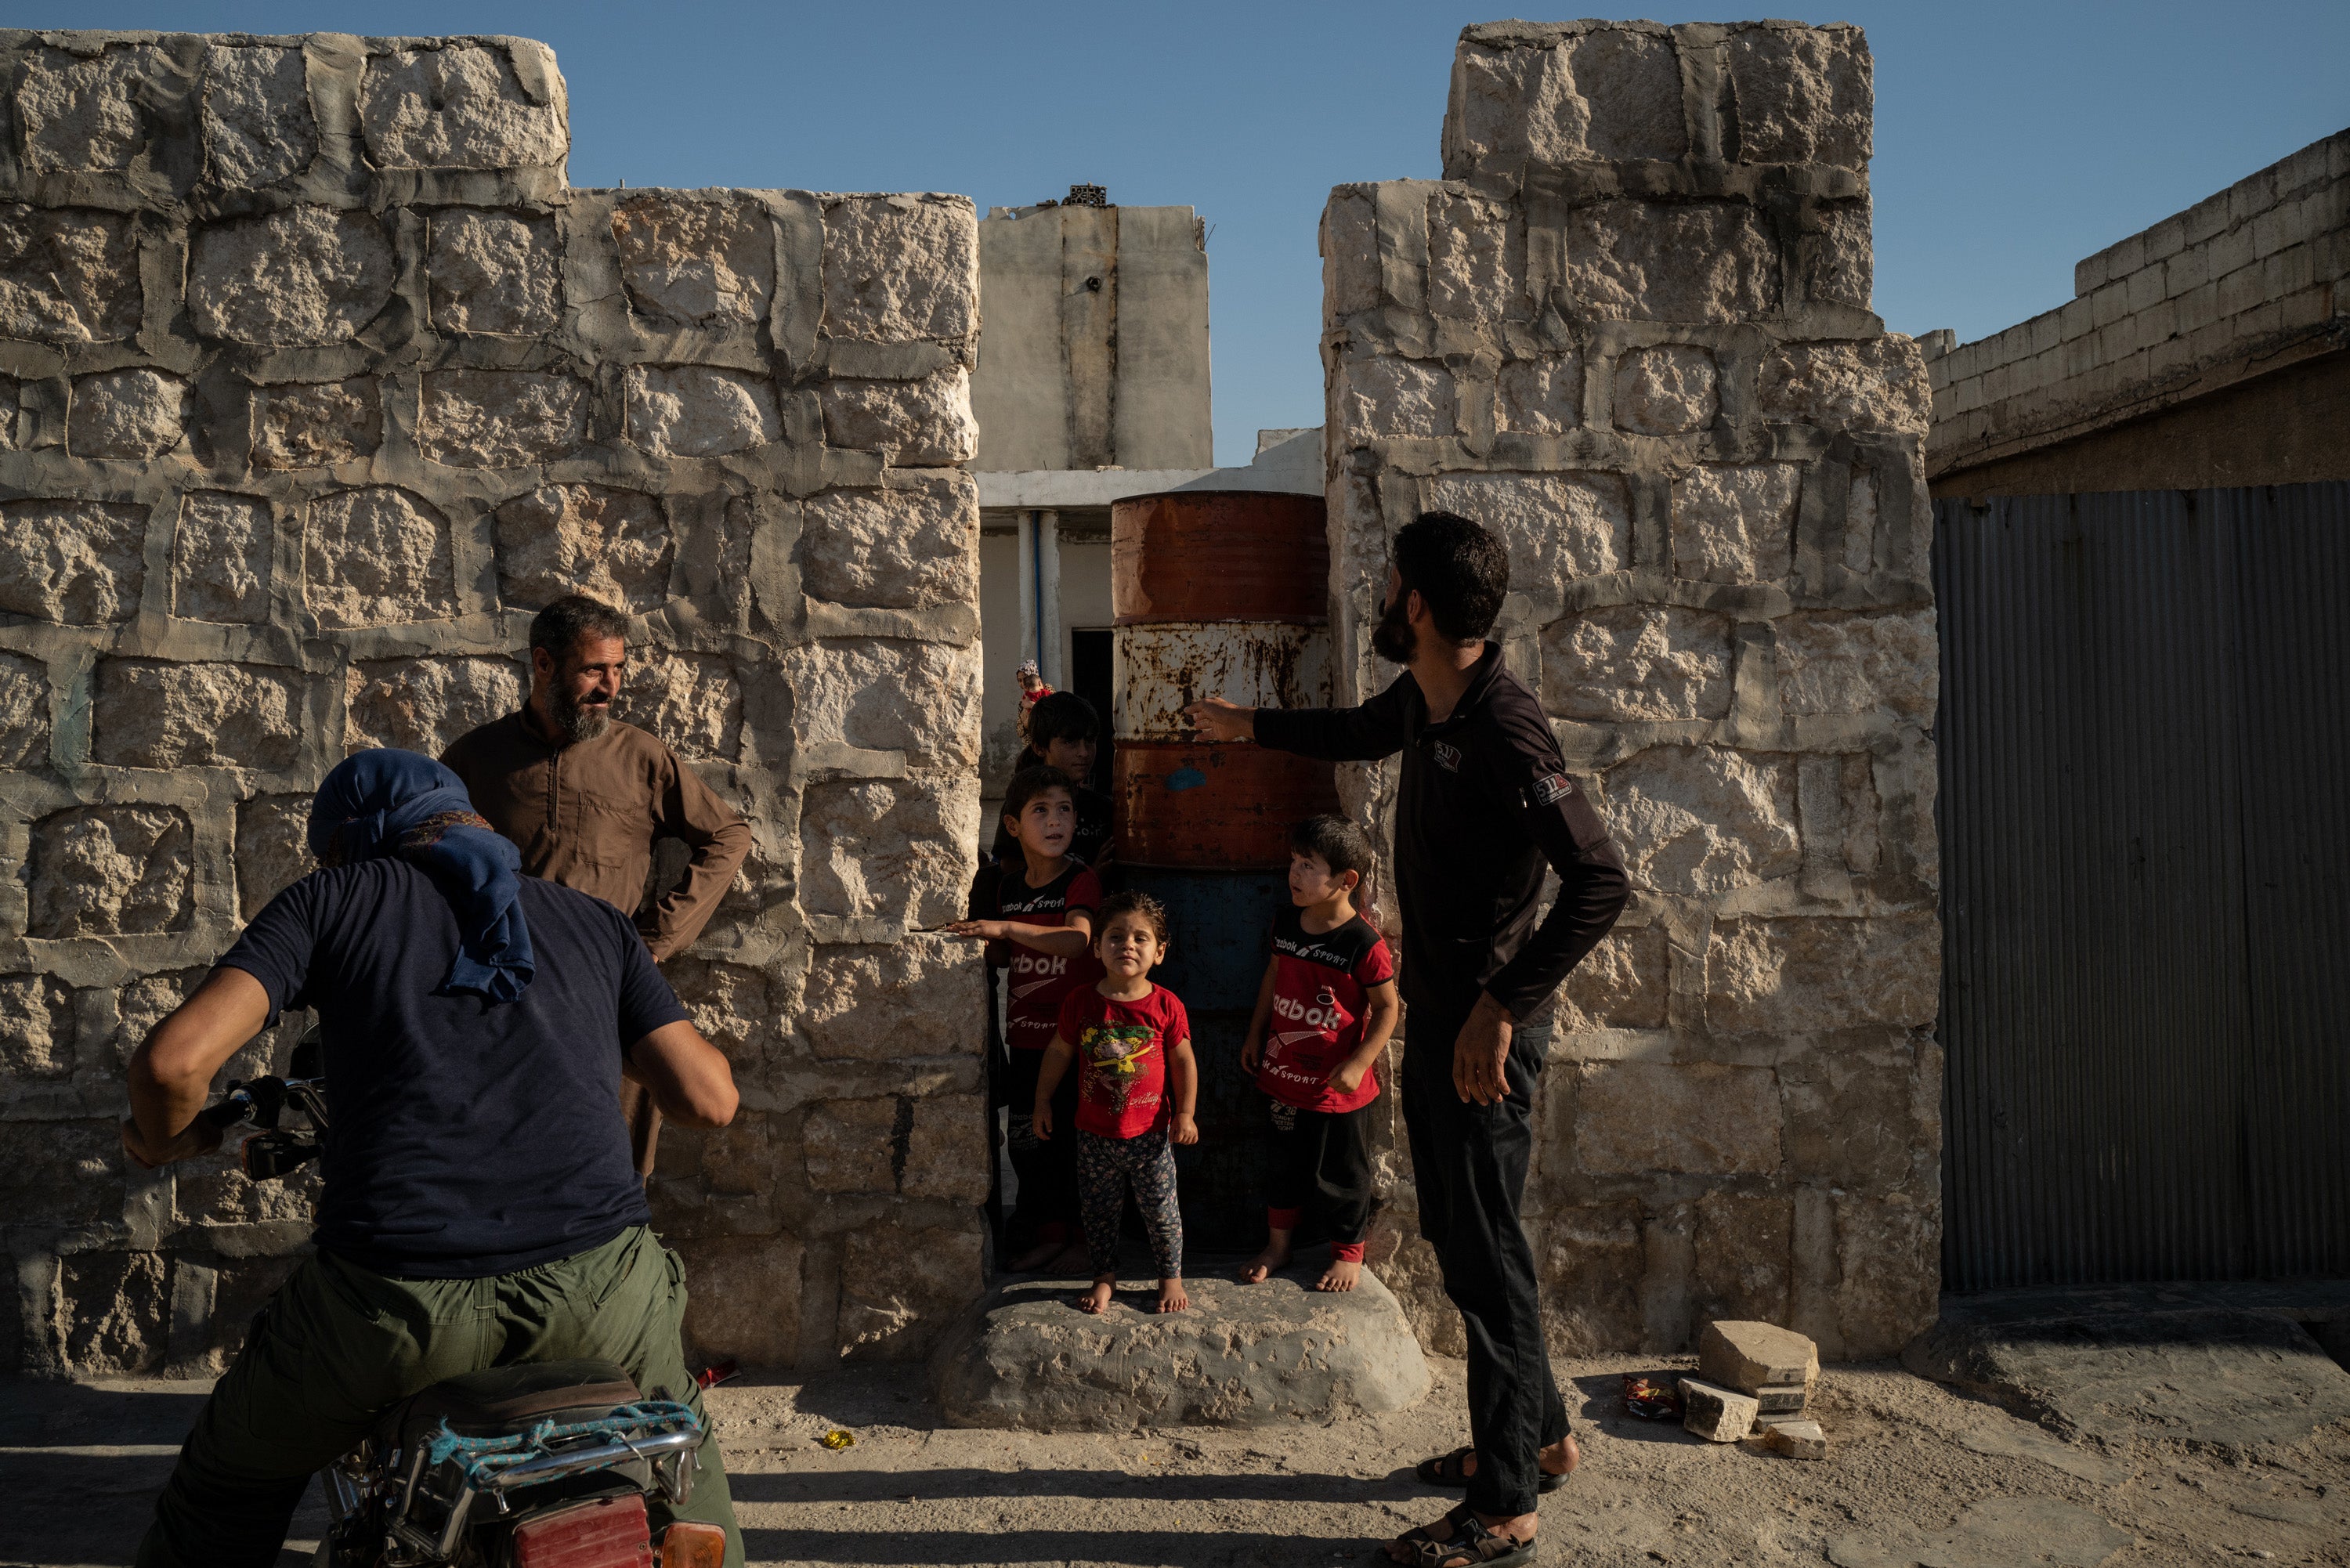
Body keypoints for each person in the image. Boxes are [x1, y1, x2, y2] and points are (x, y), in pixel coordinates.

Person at [121, 750, 745, 1568]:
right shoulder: (592, 921)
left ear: (353, 842)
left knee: (227, 1481)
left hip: (396, 1308)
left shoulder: (329, 901)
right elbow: (710, 1099)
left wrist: (171, 1138)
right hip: (602, 1293)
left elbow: (171, 1066)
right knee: (682, 1465)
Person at [1185, 511, 1630, 1568]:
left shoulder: (1507, 729)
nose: (1382, 599)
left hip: (1482, 1039)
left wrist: (1500, 1005)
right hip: (1441, 1026)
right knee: (1475, 1247)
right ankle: (1544, 1439)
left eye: (1389, 585)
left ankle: (1508, 1506)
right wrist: (1247, 728)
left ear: (1416, 605)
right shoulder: (1431, 702)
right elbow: (1357, 729)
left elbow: (1600, 880)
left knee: (1489, 1263)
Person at [442, 594, 751, 1181]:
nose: (610, 686)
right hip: (505, 996)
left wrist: (656, 938)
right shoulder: (473, 759)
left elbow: (727, 835)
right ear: (543, 664)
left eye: (618, 670)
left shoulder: (640, 756)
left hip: (610, 991)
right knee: (504, 1158)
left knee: (615, 1161)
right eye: (593, 670)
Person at [949, 765, 1104, 1271]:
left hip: (1078, 1042)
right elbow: (1002, 957)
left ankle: (1083, 1240)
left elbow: (1076, 940)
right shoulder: (1009, 887)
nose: (1055, 821)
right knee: (1031, 1145)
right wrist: (977, 937)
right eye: (1041, 811)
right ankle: (1051, 1232)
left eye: (1065, 810)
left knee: (1078, 1143)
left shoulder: (1079, 880)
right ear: (1013, 825)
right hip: (1028, 1039)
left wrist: (1008, 928)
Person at [1238, 815, 1399, 1294]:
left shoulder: (1363, 943)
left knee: (1342, 1175)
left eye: (1309, 865)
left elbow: (1388, 1008)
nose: (1295, 874)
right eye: (1294, 862)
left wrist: (1359, 1063)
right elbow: (1273, 975)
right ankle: (1278, 1245)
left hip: (1336, 1090)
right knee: (1282, 1165)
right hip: (1282, 1078)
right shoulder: (1286, 921)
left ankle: (1348, 1255)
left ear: (1346, 881)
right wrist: (1255, 1033)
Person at [1033, 890, 1199, 1315]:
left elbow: (1183, 1061)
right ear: (1097, 947)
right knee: (1099, 1215)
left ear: (1160, 952)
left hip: (1150, 1137)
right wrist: (1042, 1101)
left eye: (1141, 938)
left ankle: (1170, 1278)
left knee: (1162, 1214)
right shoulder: (1082, 1002)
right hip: (1093, 1136)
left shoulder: (1166, 1005)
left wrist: (1185, 1113)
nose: (1127, 944)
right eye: (1116, 936)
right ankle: (1104, 1279)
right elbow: (1058, 1052)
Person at [988, 690, 1115, 873]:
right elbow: (1012, 872)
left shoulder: (1101, 809)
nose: (1084, 752)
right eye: (1069, 742)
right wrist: (1088, 880)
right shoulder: (1023, 804)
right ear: (1040, 748)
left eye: (1090, 740)